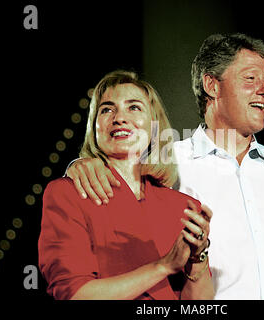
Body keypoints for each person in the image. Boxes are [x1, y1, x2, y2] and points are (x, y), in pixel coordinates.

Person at [66, 34, 264, 299]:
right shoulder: (165, 164)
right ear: (212, 86)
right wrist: (81, 165)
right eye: (250, 79)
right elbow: (111, 182)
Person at [38, 70, 214, 300]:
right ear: (95, 128)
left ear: (154, 126)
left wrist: (198, 260)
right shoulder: (68, 193)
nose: (119, 118)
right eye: (107, 109)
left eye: (134, 107)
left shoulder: (183, 206)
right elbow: (74, 294)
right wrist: (163, 266)